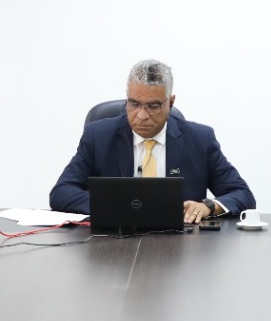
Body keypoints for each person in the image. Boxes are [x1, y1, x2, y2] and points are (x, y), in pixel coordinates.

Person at [49, 59, 255, 224]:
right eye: (134, 103)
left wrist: (209, 206)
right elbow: (61, 192)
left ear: (170, 103)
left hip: (180, 246)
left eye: (153, 106)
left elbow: (242, 194)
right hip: (112, 244)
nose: (141, 115)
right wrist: (114, 204)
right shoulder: (98, 136)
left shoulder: (200, 139)